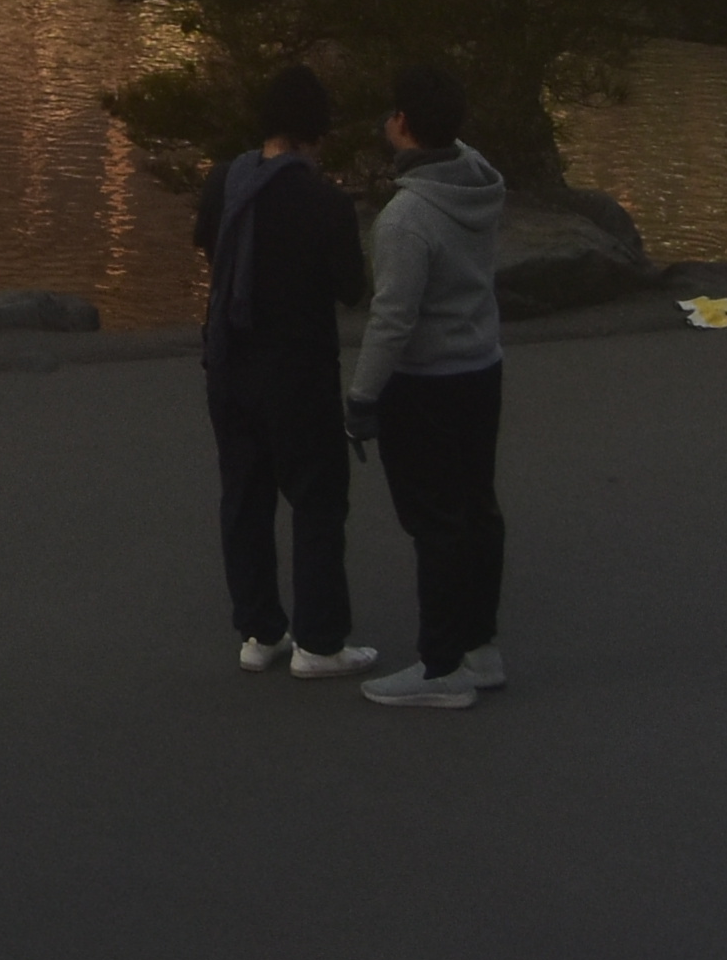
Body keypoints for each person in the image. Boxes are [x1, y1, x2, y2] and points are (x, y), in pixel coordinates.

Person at [196, 62, 376, 678]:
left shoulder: (224, 182)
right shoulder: (324, 202)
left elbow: (207, 248)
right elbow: (352, 288)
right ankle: (319, 641)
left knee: (243, 498)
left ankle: (258, 631)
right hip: (298, 370)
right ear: (315, 134)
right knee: (317, 501)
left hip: (228, 367)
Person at [349, 60, 510, 712]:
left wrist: (362, 395)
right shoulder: (477, 180)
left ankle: (440, 665)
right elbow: (451, 144)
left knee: (435, 522)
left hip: (426, 383)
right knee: (476, 510)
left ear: (405, 124)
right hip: (481, 366)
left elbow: (393, 318)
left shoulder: (405, 219)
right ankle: (478, 646)